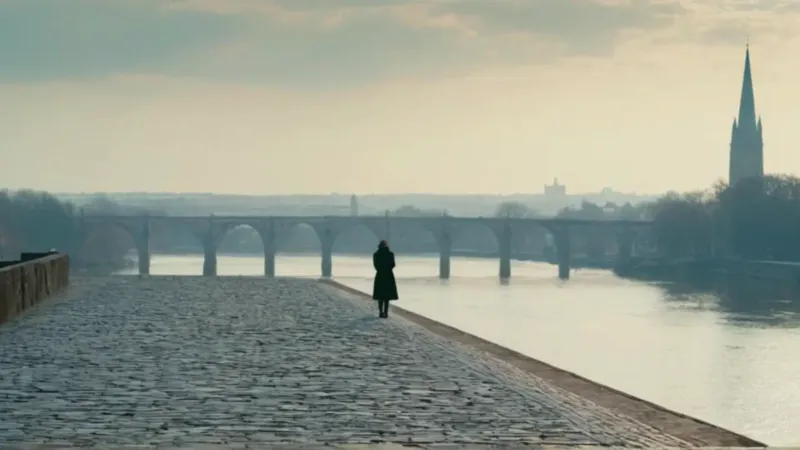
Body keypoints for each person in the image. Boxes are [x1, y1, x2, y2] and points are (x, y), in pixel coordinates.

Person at [372, 240, 399, 318]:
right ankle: (386, 313)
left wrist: (381, 269)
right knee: (387, 296)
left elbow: (375, 265)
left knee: (380, 296)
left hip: (380, 275)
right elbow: (393, 264)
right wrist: (387, 268)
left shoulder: (376, 254)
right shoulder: (390, 254)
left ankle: (381, 312)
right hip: (388, 275)